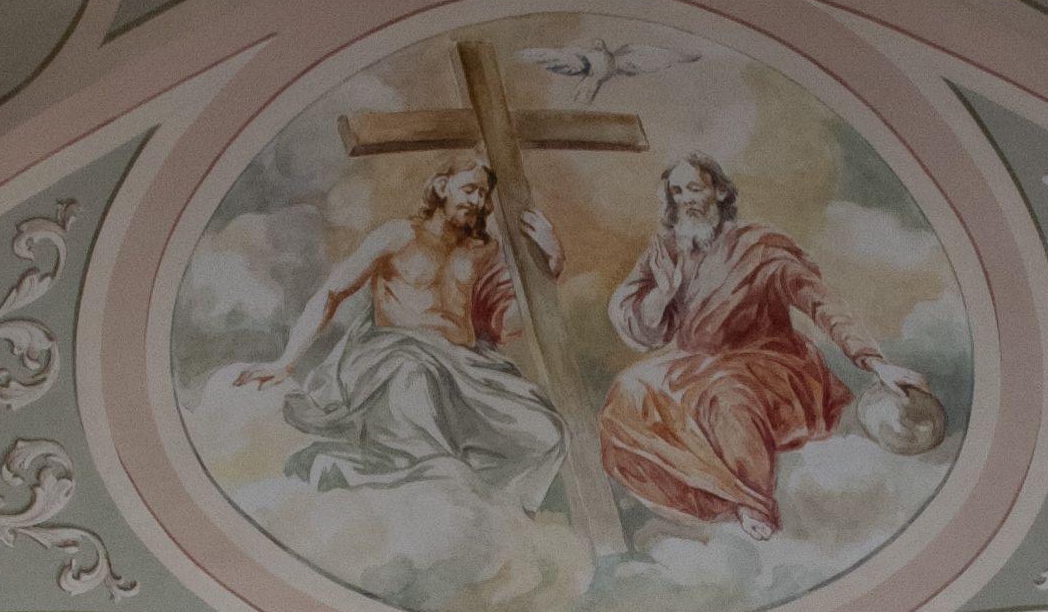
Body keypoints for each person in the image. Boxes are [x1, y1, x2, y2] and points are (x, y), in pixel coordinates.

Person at [597, 154, 934, 539]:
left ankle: (754, 501)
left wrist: (873, 361)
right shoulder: (667, 249)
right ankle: (711, 494)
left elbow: (820, 301)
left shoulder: (760, 245)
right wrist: (664, 291)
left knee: (727, 395)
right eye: (677, 192)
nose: (686, 199)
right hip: (692, 362)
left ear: (719, 191)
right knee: (629, 389)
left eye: (695, 188)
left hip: (769, 362)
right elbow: (637, 323)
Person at [236, 157, 566, 512]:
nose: (477, 201)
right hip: (396, 356)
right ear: (442, 187)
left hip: (466, 369)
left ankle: (501, 510)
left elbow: (508, 322)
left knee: (547, 433)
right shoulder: (397, 236)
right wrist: (286, 361)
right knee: (415, 378)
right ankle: (427, 490)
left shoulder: (484, 251)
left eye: (483, 194)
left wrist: (553, 263)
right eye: (469, 189)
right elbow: (332, 293)